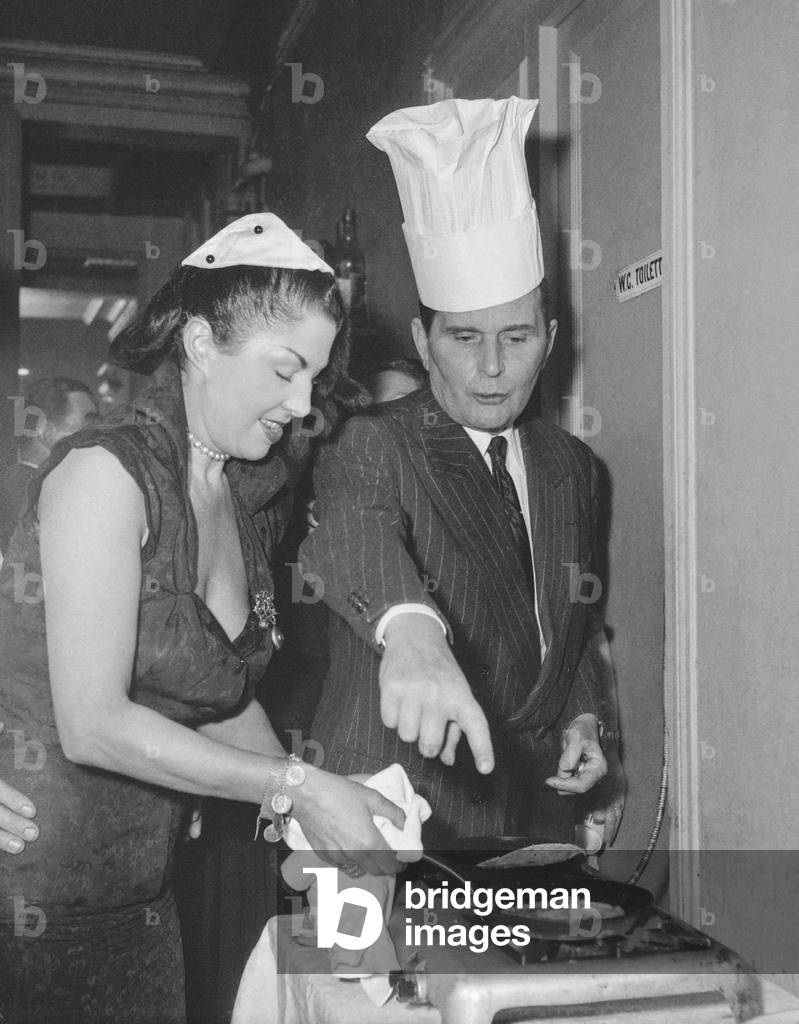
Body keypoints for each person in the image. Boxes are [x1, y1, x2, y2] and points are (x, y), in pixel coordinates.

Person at [0, 213, 405, 1024]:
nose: (300, 404)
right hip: (33, 901)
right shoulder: (104, 475)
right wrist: (296, 785)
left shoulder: (238, 492)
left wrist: (321, 811)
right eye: (285, 369)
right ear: (197, 343)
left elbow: (213, 692)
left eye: (314, 378)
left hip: (144, 895)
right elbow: (92, 725)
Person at [300, 97, 625, 848]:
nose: (488, 368)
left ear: (547, 340)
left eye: (514, 337)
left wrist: (582, 714)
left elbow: (566, 621)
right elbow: (354, 534)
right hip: (391, 807)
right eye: (462, 338)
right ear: (422, 340)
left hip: (528, 807)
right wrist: (409, 633)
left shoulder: (573, 467)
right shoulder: (371, 443)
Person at [0, 376, 98, 554]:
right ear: (42, 429)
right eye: (89, 423)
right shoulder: (26, 493)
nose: (100, 434)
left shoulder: (31, 486)